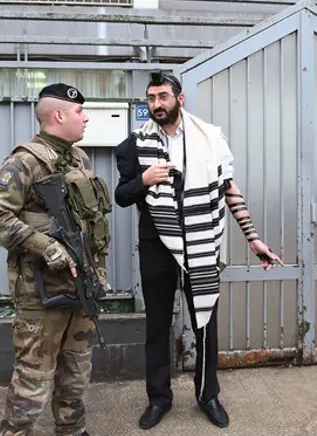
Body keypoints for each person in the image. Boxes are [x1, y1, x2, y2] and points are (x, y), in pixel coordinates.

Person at [114, 71, 283, 430]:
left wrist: (253, 238)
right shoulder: (133, 145)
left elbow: (228, 188)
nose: (156, 104)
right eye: (150, 98)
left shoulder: (210, 138)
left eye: (162, 96)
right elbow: (121, 196)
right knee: (158, 325)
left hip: (202, 243)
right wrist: (144, 180)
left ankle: (208, 395)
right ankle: (159, 399)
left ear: (180, 98)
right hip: (156, 244)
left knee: (205, 321)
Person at [0, 83, 112, 436]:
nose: (85, 118)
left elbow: (89, 224)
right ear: (58, 115)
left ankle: (72, 430)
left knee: (77, 371)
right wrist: (46, 247)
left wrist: (96, 273)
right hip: (42, 294)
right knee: (34, 379)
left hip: (80, 287)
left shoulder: (78, 159)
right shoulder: (24, 161)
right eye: (79, 112)